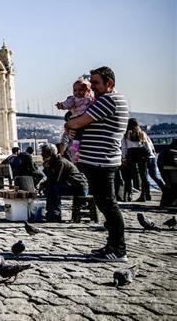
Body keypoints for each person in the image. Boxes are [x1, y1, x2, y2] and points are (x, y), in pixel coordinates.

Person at [66, 66, 129, 262]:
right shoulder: (106, 100)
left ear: (109, 83)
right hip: (99, 160)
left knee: (108, 204)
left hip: (102, 161)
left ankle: (118, 250)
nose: (91, 87)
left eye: (95, 83)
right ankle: (112, 245)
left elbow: (78, 122)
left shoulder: (108, 100)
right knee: (105, 203)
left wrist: (70, 124)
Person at [40, 144, 88, 222]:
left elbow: (56, 180)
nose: (42, 155)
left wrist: (46, 169)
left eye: (43, 152)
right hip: (71, 185)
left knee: (53, 188)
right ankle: (51, 214)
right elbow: (51, 178)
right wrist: (44, 183)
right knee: (50, 188)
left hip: (78, 186)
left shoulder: (60, 162)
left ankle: (55, 215)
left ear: (50, 153)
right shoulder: (53, 162)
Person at [56, 79, 95, 162]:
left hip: (85, 119)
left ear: (88, 91)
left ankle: (76, 150)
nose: (77, 92)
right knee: (77, 135)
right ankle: (75, 150)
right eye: (75, 90)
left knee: (80, 134)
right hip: (76, 119)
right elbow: (67, 104)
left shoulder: (90, 99)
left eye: (81, 90)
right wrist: (61, 105)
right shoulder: (73, 99)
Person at [121, 118, 152, 202]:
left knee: (129, 175)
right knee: (144, 175)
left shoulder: (125, 134)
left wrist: (123, 158)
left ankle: (128, 195)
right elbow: (146, 144)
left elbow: (124, 147)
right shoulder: (142, 133)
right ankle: (145, 195)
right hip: (142, 154)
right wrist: (149, 154)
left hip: (131, 154)